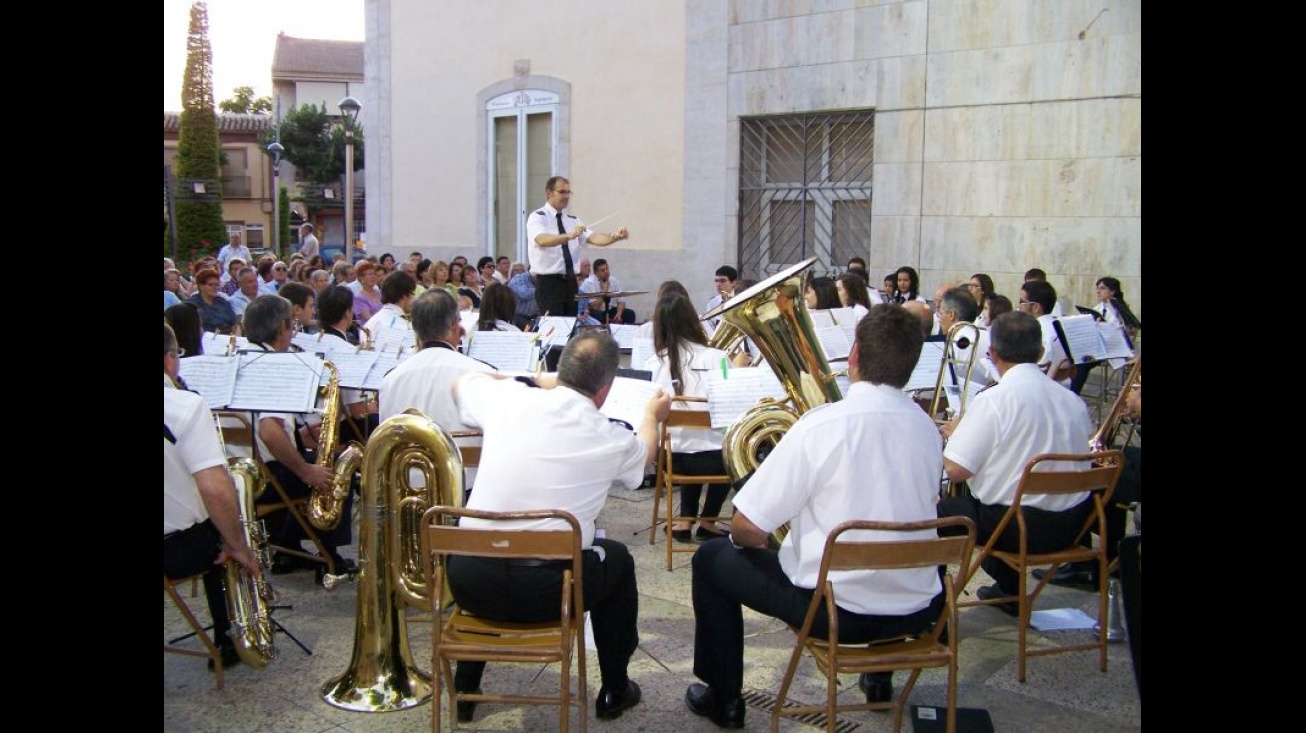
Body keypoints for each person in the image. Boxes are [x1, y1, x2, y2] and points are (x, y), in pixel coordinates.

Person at [686, 305, 946, 728]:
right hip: (917, 611)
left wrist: (781, 538)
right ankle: (878, 680)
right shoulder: (927, 428)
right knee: (884, 543)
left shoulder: (820, 426)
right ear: (911, 365)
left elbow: (747, 526)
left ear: (855, 354)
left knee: (711, 559)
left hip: (834, 615)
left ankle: (725, 698)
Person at [446, 331, 670, 723]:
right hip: (549, 593)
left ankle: (466, 688)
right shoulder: (609, 435)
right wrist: (652, 416)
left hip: (468, 580)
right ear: (606, 389)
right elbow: (645, 459)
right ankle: (615, 688)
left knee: (495, 541)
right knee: (617, 560)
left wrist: (539, 381)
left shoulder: (509, 398)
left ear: (558, 370)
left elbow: (459, 383)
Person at [937, 311, 1094, 614]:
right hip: (1074, 524)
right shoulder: (1071, 400)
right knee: (997, 490)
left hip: (1015, 528)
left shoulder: (995, 400)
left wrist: (956, 435)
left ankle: (932, 612)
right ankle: (1008, 590)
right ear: (1040, 353)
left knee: (937, 512)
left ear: (992, 353)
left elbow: (955, 471)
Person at [164, 322, 260, 671]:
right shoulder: (182, 406)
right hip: (172, 550)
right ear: (170, 361)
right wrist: (238, 545)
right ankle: (231, 637)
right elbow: (215, 489)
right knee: (220, 528)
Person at [242, 295, 354, 581]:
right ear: (281, 327)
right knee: (336, 468)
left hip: (238, 474)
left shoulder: (238, 360)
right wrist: (306, 471)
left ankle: (288, 549)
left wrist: (299, 435)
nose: (293, 332)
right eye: (291, 325)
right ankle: (330, 558)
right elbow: (268, 431)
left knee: (318, 461)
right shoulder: (273, 366)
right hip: (266, 478)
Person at [644, 293, 733, 543]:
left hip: (669, 460)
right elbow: (732, 405)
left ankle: (684, 521)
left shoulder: (653, 362)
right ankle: (708, 521)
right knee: (725, 445)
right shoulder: (720, 358)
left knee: (686, 441)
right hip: (716, 462)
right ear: (694, 321)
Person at [527, 176, 630, 319]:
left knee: (570, 327)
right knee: (553, 327)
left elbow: (593, 237)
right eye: (562, 192)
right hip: (549, 282)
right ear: (549, 193)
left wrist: (615, 236)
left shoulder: (573, 220)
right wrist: (569, 236)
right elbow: (541, 240)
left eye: (569, 192)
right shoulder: (538, 217)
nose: (566, 196)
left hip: (570, 282)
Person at [1019, 280, 1073, 386]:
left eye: (1021, 302)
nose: (1019, 307)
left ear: (1036, 307)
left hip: (1042, 389)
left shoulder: (1038, 333)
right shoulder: (1060, 327)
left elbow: (1035, 373)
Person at [579, 258, 637, 324]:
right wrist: (604, 291)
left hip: (609, 310)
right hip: (595, 311)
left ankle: (624, 333)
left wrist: (619, 314)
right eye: (602, 270)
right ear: (596, 273)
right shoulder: (589, 283)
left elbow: (621, 301)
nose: (606, 272)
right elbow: (595, 307)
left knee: (630, 314)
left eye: (607, 269)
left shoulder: (613, 281)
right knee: (599, 315)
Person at [362, 270, 417, 336]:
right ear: (404, 296)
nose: (414, 298)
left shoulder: (369, 324)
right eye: (412, 294)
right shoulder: (406, 327)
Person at [187, 269, 240, 334]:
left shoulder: (222, 302)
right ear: (200, 286)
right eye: (211, 285)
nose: (215, 287)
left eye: (217, 285)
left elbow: (235, 323)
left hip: (227, 338)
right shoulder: (192, 304)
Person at [704, 265, 739, 334]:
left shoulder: (740, 299)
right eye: (716, 281)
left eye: (723, 281)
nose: (718, 284)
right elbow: (710, 325)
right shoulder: (712, 302)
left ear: (733, 282)